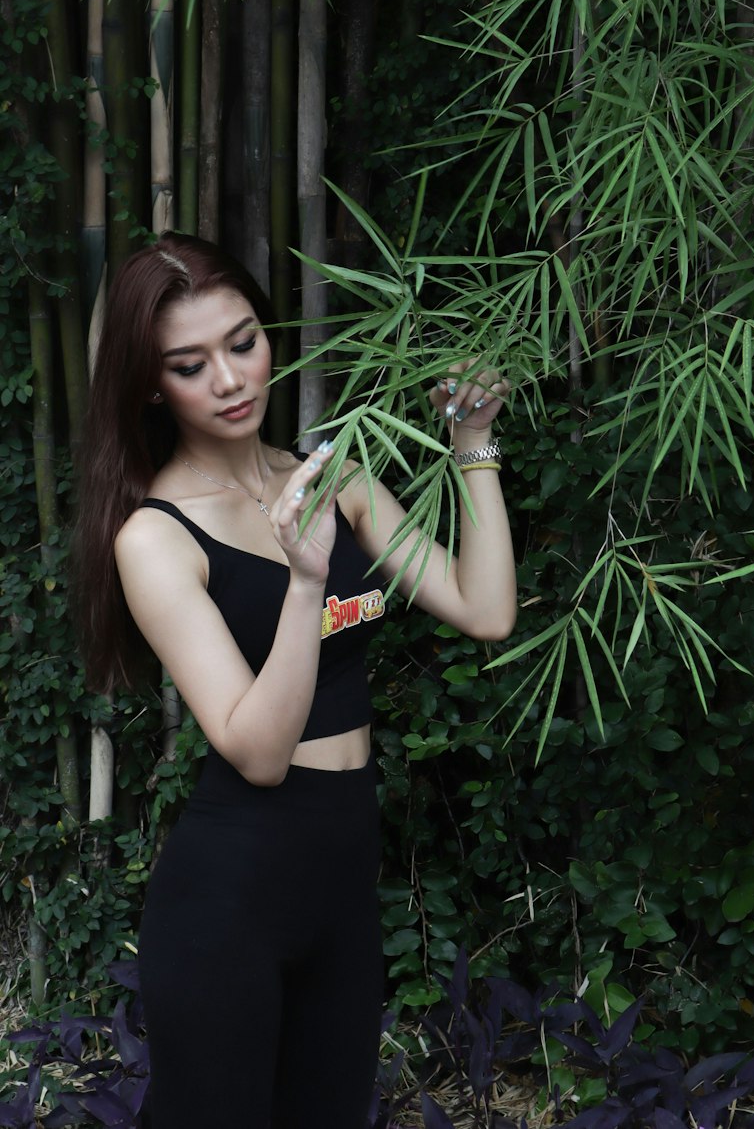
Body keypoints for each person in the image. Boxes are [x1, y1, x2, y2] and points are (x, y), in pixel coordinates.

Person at [72, 231, 516, 1129]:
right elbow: (260, 752)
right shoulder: (154, 536)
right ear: (152, 383)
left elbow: (484, 608)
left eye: (243, 342)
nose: (231, 380)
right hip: (232, 896)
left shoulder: (333, 477)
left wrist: (472, 444)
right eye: (191, 365)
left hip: (344, 877)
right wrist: (306, 581)